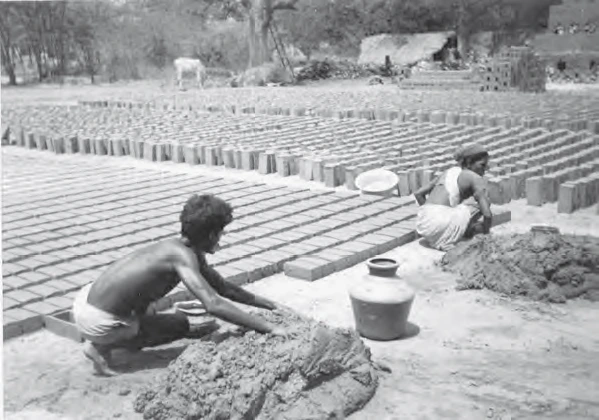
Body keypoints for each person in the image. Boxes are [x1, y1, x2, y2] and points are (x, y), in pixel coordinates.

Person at [73, 194, 288, 376]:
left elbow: (224, 288)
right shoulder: (181, 257)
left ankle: (115, 334)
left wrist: (271, 306)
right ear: (212, 234)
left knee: (163, 317)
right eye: (221, 233)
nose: (222, 237)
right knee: (177, 326)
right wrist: (269, 328)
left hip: (87, 299)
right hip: (97, 317)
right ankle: (100, 346)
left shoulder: (179, 247)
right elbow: (213, 303)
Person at [413, 144, 493, 251]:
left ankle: (446, 232)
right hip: (439, 225)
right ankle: (450, 237)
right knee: (483, 199)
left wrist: (432, 215)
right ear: (469, 162)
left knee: (459, 205)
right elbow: (487, 214)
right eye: (482, 165)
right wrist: (487, 234)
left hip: (423, 224)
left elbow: (418, 194)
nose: (484, 170)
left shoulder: (449, 172)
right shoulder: (475, 178)